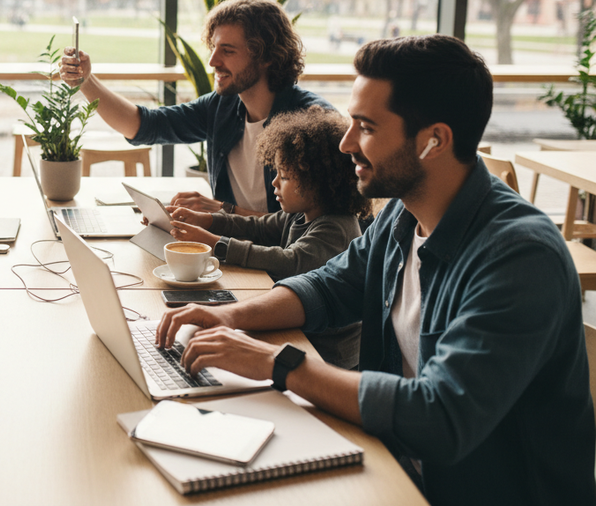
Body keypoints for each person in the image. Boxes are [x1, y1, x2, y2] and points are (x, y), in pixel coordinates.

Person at [156, 35, 596, 505]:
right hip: (393, 463)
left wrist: (275, 362)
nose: (346, 143)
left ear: (434, 141)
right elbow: (331, 284)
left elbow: (441, 415)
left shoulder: (519, 256)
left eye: (365, 127)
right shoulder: (404, 213)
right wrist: (228, 317)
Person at [60, 0, 330, 216]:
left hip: (286, 270)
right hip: (233, 251)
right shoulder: (221, 107)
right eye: (213, 48)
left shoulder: (312, 124)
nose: (212, 61)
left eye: (228, 50)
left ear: (266, 56)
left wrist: (223, 210)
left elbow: (310, 233)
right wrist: (86, 81)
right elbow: (142, 126)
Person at [168, 106, 370, 369]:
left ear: (319, 184)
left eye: (284, 176)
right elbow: (258, 227)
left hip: (326, 356)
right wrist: (207, 219)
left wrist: (217, 244)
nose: (274, 183)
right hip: (300, 332)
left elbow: (290, 261)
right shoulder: (300, 214)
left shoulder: (336, 227)